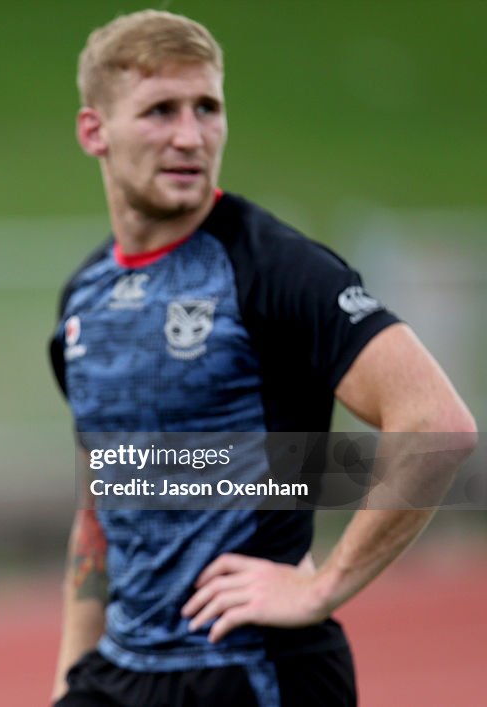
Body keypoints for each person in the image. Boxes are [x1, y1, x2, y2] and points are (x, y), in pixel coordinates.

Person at [48, 10, 476, 707]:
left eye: (207, 108)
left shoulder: (276, 269)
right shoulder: (84, 296)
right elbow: (102, 490)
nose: (190, 135)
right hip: (117, 673)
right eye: (160, 110)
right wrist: (72, 674)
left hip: (254, 673)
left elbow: (439, 425)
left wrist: (321, 584)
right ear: (94, 130)